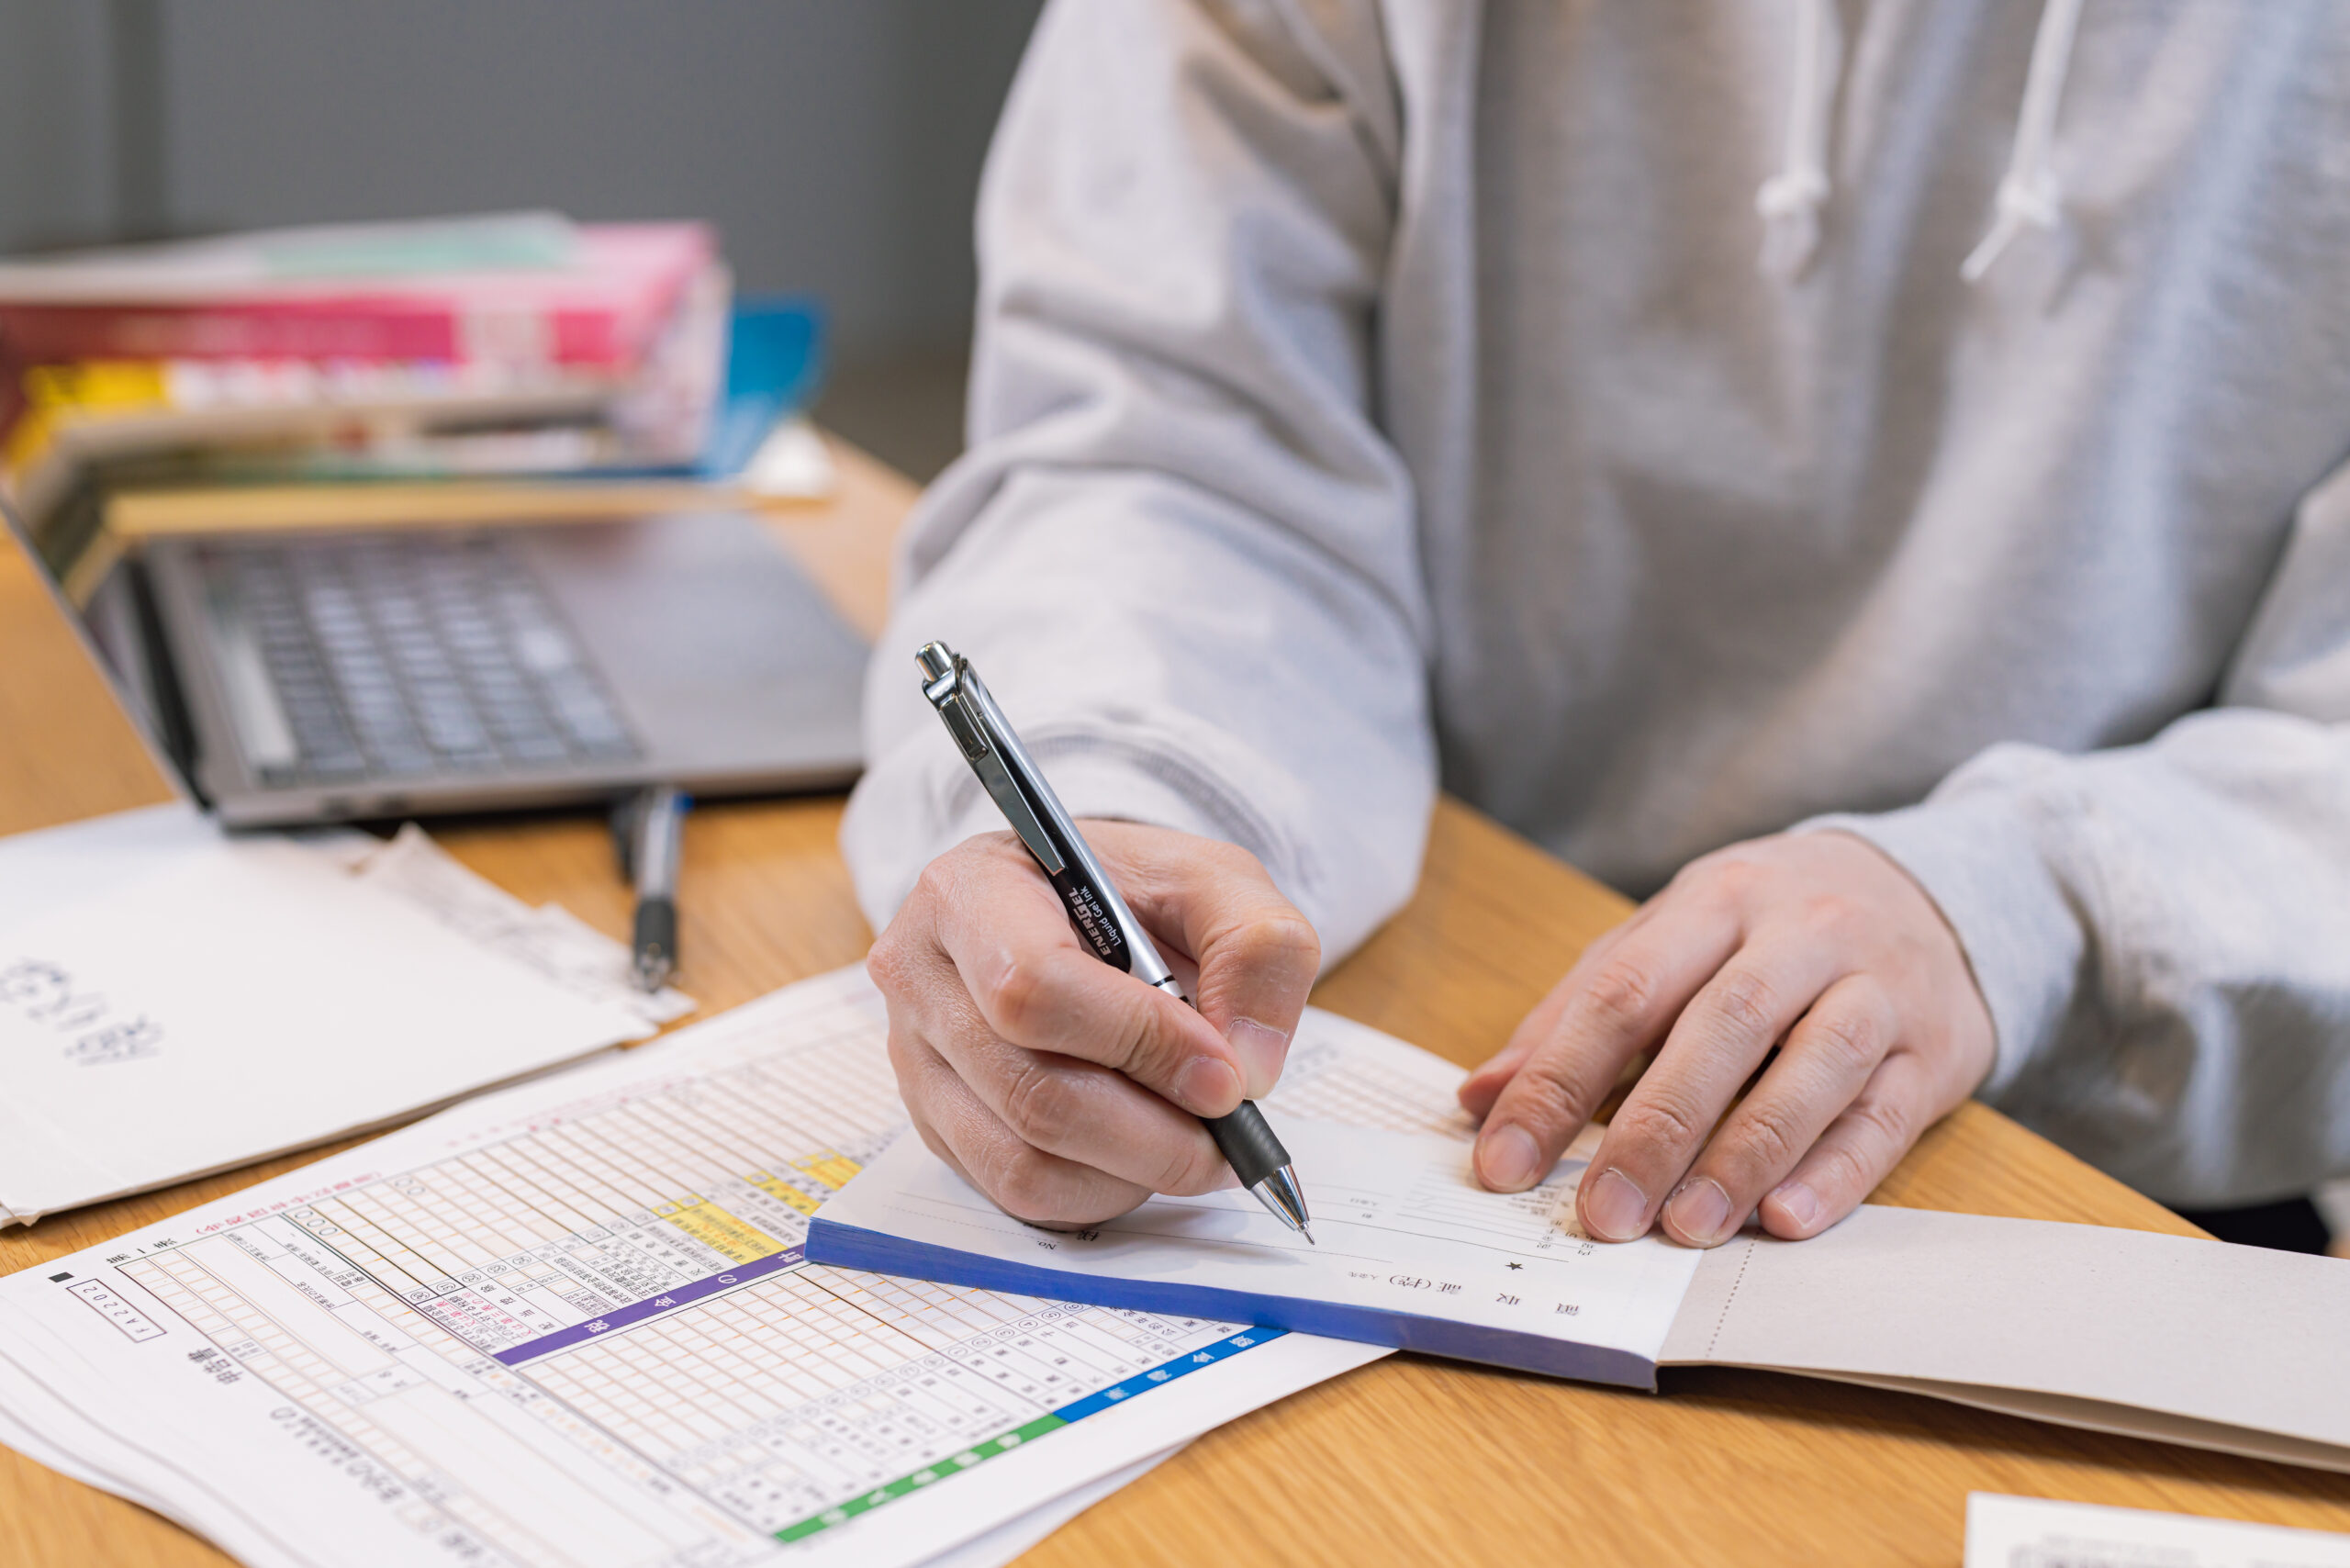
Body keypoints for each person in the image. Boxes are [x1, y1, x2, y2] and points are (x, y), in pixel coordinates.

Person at [840, 1, 2350, 1249]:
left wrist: (2022, 906)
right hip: (1441, 1025)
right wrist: (1126, 815)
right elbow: (1167, 448)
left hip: (2101, 1128)